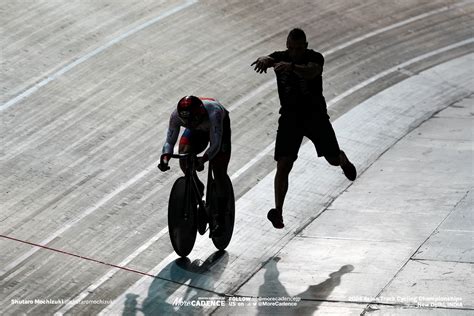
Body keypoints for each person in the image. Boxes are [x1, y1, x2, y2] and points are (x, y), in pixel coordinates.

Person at [251, 28, 356, 229]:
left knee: (332, 159)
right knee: (283, 164)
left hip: (315, 117)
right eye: (291, 48)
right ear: (287, 46)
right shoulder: (281, 56)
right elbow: (266, 57)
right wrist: (263, 60)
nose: (294, 52)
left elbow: (312, 71)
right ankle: (278, 212)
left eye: (298, 49)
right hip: (290, 118)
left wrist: (292, 67)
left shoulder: (315, 57)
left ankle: (342, 160)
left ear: (305, 46)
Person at [158, 96, 231, 236]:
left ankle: (221, 217)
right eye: (186, 122)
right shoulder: (176, 116)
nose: (189, 124)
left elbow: (215, 144)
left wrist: (203, 160)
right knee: (184, 154)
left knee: (219, 169)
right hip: (199, 129)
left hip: (218, 126)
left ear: (201, 114)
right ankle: (197, 185)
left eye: (192, 121)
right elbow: (169, 142)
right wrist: (165, 158)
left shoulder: (214, 113)